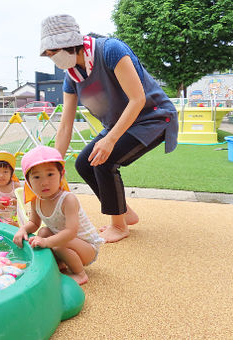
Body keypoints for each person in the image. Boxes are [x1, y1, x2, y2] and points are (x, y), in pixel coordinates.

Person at [39, 15, 178, 243]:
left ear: (69, 43)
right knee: (84, 163)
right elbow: (66, 125)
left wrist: (110, 140)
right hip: (119, 123)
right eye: (49, 55)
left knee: (104, 160)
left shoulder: (111, 50)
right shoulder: (71, 77)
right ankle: (124, 211)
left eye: (54, 52)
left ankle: (119, 225)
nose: (53, 58)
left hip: (152, 117)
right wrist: (54, 164)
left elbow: (137, 99)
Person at [13, 146, 104, 285]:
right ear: (28, 181)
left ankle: (80, 274)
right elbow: (34, 224)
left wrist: (46, 242)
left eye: (50, 174)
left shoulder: (68, 199)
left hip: (86, 247)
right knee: (43, 231)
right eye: (36, 177)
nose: (44, 182)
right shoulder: (36, 200)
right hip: (66, 241)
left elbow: (71, 232)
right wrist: (22, 230)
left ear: (61, 175)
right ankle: (60, 263)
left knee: (55, 244)